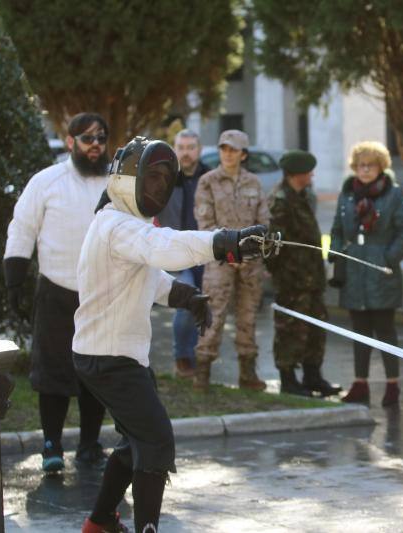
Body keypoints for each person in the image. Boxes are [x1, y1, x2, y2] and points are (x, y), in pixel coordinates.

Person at [73, 136, 267, 533]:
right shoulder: (116, 225)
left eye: (165, 180)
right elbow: (167, 246)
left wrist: (187, 296)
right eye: (152, 177)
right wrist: (224, 242)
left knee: (137, 442)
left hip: (116, 356)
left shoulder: (124, 225)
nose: (159, 187)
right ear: (129, 179)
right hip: (109, 359)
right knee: (157, 442)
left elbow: (150, 275)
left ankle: (99, 523)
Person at [3, 112, 109, 473]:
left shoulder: (116, 185)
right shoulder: (45, 182)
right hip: (55, 292)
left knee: (96, 371)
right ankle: (51, 445)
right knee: (52, 374)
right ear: (70, 142)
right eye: (87, 139)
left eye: (101, 139)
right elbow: (22, 227)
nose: (95, 146)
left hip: (102, 295)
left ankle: (90, 443)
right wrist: (14, 278)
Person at [330, 141, 403, 407]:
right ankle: (360, 383)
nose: (365, 170)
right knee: (359, 329)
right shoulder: (347, 195)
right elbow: (337, 230)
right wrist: (336, 252)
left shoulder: (393, 194)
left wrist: (388, 257)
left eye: (371, 165)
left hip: (381, 269)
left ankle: (392, 385)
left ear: (381, 167)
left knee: (385, 329)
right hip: (354, 269)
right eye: (360, 165)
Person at [193, 129, 271, 392]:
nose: (227, 154)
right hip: (219, 261)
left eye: (233, 150)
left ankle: (247, 374)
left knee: (247, 317)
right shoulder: (207, 182)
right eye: (224, 149)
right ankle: (202, 373)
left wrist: (248, 253)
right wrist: (229, 254)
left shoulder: (254, 183)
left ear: (243, 154)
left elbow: (263, 222)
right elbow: (206, 224)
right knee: (212, 316)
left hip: (249, 263)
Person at [266, 149, 341, 397]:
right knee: (290, 330)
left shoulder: (305, 195)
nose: (312, 175)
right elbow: (272, 246)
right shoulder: (280, 200)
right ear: (296, 174)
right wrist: (281, 276)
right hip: (291, 280)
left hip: (312, 277)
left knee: (315, 329)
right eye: (308, 171)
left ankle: (312, 376)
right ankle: (288, 380)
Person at [156, 129, 210, 379]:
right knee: (186, 301)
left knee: (204, 302)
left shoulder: (209, 177)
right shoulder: (164, 179)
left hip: (207, 251)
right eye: (181, 147)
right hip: (176, 252)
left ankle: (200, 353)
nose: (186, 152)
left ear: (199, 150)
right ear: (174, 149)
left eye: (191, 147)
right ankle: (183, 357)